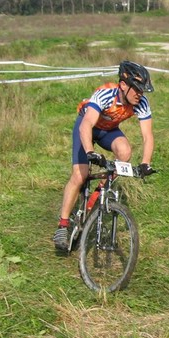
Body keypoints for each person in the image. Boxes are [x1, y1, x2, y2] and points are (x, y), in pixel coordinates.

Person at [53, 60, 156, 250]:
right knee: (80, 175)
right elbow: (86, 125)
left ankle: (100, 190)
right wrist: (91, 152)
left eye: (143, 90)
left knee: (125, 152)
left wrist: (145, 163)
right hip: (86, 127)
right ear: (123, 85)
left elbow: (147, 136)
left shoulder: (140, 102)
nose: (140, 94)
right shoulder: (106, 94)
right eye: (137, 89)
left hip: (108, 131)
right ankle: (63, 224)